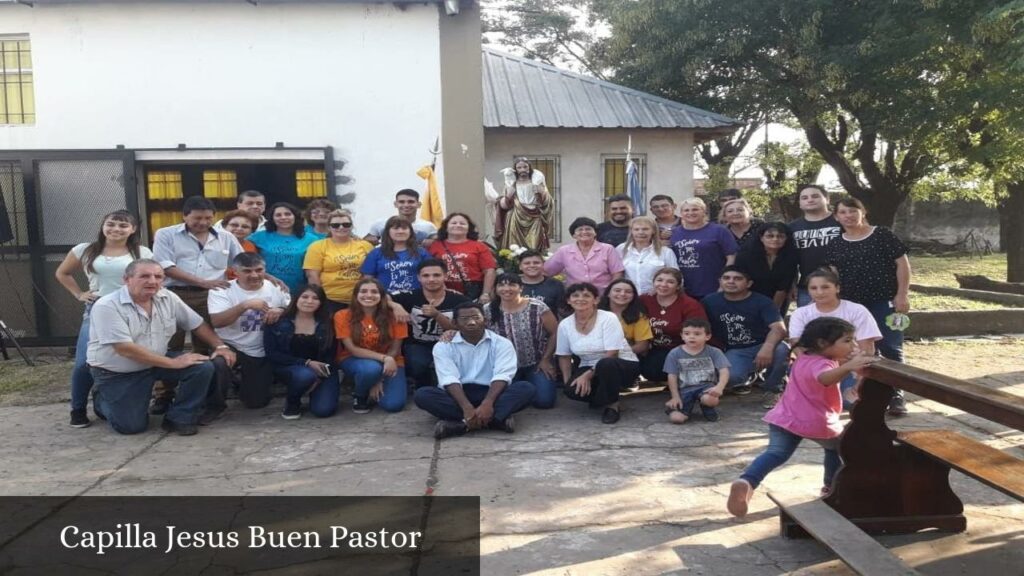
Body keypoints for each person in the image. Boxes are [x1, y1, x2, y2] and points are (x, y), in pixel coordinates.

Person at [727, 317, 878, 518]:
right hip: (814, 420)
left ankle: (747, 481)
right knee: (837, 448)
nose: (854, 344)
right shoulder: (823, 365)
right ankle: (830, 488)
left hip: (784, 417)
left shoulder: (805, 358)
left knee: (775, 454)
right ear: (823, 343)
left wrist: (850, 362)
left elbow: (834, 366)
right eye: (848, 340)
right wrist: (849, 367)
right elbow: (824, 378)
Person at [86, 259, 235, 436]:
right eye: (145, 276)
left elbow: (196, 324)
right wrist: (173, 363)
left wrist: (221, 345)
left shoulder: (168, 297)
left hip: (155, 361)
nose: (153, 281)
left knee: (202, 367)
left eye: (158, 276)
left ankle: (180, 417)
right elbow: (124, 348)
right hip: (118, 372)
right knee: (131, 427)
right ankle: (102, 400)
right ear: (127, 279)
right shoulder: (107, 305)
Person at [56, 210, 153, 428]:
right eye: (111, 224)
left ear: (133, 229)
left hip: (130, 309)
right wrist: (79, 294)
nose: (116, 229)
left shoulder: (141, 251)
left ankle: (111, 400)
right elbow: (62, 273)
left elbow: (150, 278)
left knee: (128, 358)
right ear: (103, 225)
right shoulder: (85, 249)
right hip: (96, 309)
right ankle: (78, 409)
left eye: (123, 225)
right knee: (83, 362)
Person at [151, 195, 243, 415]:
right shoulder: (166, 234)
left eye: (208, 218)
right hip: (174, 294)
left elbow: (242, 262)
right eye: (197, 218)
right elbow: (166, 266)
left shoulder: (225, 236)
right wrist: (202, 281)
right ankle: (164, 395)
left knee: (204, 345)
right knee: (170, 345)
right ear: (185, 216)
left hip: (209, 297)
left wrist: (269, 278)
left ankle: (200, 395)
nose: (202, 223)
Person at [825, 197, 912, 416]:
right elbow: (833, 275)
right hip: (852, 305)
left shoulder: (882, 235)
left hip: (884, 302)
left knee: (891, 347)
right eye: (843, 212)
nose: (848, 216)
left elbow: (902, 265)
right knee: (855, 349)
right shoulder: (836, 243)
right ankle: (861, 393)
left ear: (863, 212)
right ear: (836, 217)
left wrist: (902, 294)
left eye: (853, 211)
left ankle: (896, 395)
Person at [414, 302, 537, 439]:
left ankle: (461, 425)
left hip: (491, 392)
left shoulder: (502, 343)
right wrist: (466, 407)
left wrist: (487, 403)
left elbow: (503, 375)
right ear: (454, 323)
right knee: (423, 395)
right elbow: (449, 378)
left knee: (526, 388)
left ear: (485, 320)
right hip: (458, 394)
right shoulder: (443, 346)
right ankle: (494, 421)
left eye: (476, 317)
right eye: (465, 319)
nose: (471, 322)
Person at [207, 253, 291, 417]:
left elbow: (294, 312)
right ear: (235, 272)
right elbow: (217, 322)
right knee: (218, 363)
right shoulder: (222, 290)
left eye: (259, 270)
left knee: (256, 403)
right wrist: (244, 306)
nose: (254, 275)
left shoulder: (275, 286)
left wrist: (281, 311)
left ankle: (243, 383)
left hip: (261, 348)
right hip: (231, 345)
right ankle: (213, 406)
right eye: (247, 271)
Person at [788, 268, 881, 407]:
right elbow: (798, 346)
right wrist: (809, 368)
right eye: (813, 288)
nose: (819, 292)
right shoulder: (801, 313)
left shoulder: (857, 310)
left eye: (825, 287)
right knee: (814, 401)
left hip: (851, 366)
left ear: (837, 288)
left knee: (851, 403)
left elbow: (866, 346)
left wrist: (860, 376)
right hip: (815, 367)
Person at [701, 266, 790, 408]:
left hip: (762, 344)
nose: (731, 282)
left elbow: (779, 329)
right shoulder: (710, 301)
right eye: (726, 278)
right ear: (720, 281)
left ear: (748, 284)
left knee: (782, 349)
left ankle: (773, 389)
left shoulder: (762, 301)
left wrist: (767, 347)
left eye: (737, 279)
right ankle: (750, 375)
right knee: (731, 378)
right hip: (735, 350)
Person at [556, 282, 640, 424]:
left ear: (596, 300)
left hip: (620, 364)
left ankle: (612, 405)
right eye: (575, 295)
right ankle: (602, 396)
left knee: (606, 364)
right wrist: (567, 383)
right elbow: (564, 356)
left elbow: (613, 353)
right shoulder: (565, 324)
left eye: (586, 295)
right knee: (571, 391)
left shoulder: (608, 318)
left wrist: (587, 376)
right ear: (568, 300)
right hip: (588, 364)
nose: (580, 299)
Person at [391, 259, 469, 389]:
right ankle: (423, 388)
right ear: (419, 278)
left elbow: (464, 329)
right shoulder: (410, 296)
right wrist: (395, 306)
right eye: (426, 276)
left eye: (436, 275)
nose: (431, 279)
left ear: (445, 276)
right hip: (418, 344)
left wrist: (437, 315)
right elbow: (382, 297)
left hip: (450, 344)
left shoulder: (459, 299)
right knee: (417, 363)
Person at [264, 284, 338, 419]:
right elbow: (272, 353)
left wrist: (320, 376)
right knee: (305, 375)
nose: (309, 301)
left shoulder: (328, 323)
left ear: (321, 302)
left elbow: (331, 354)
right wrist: (307, 363)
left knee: (323, 410)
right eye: (305, 297)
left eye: (315, 298)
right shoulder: (277, 321)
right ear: (296, 298)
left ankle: (314, 389)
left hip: (322, 370)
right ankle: (293, 401)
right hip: (289, 368)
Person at [335, 278, 409, 413]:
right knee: (370, 369)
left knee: (393, 405)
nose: (368, 295)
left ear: (382, 297)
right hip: (355, 359)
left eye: (374, 292)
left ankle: (369, 383)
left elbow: (395, 349)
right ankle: (360, 395)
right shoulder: (342, 315)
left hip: (392, 360)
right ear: (356, 295)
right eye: (363, 291)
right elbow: (353, 349)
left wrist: (379, 378)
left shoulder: (395, 316)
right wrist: (383, 360)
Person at [485, 273, 559, 409]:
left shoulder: (537, 306)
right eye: (501, 285)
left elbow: (555, 332)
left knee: (544, 402)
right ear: (495, 289)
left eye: (512, 284)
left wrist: (546, 359)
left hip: (536, 363)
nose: (506, 289)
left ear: (521, 288)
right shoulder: (487, 310)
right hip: (504, 366)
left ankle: (529, 385)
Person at [638, 268, 708, 383]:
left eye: (670, 282)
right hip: (655, 349)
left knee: (657, 368)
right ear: (653, 282)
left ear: (678, 286)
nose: (663, 285)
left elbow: (698, 334)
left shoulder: (690, 305)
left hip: (682, 349)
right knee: (648, 368)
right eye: (659, 280)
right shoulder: (645, 299)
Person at [303, 209, 374, 313]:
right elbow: (312, 276)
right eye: (336, 225)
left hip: (360, 299)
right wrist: (319, 298)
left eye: (346, 224)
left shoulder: (365, 246)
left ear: (351, 226)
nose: (341, 227)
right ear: (329, 227)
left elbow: (371, 273)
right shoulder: (317, 247)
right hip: (330, 299)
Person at [663, 318, 730, 424]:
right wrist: (675, 397)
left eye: (697, 334)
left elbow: (724, 370)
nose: (691, 336)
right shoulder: (674, 353)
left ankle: (707, 408)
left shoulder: (714, 352)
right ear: (682, 336)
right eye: (687, 333)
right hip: (685, 390)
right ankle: (674, 409)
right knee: (677, 419)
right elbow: (672, 376)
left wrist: (719, 387)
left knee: (711, 400)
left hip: (706, 388)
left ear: (707, 336)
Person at [669, 197, 738, 300]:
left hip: (712, 286)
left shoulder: (719, 230)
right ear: (681, 213)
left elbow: (731, 257)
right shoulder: (674, 233)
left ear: (704, 211)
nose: (690, 213)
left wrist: (725, 282)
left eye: (695, 209)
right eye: (686, 210)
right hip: (683, 288)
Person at [248, 202, 318, 294]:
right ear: (272, 218)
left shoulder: (311, 239)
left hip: (299, 291)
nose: (283, 217)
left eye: (288, 214)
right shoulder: (258, 237)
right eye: (278, 215)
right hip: (265, 289)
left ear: (295, 216)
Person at [789, 185, 842, 306]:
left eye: (815, 196)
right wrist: (791, 285)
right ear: (800, 204)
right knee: (811, 324)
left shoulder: (841, 221)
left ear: (827, 199)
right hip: (808, 288)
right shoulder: (792, 227)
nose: (810, 200)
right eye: (804, 198)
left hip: (843, 285)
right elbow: (790, 260)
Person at [427, 212, 497, 302]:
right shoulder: (435, 245)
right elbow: (428, 268)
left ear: (469, 228)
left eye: (462, 223)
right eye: (454, 223)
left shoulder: (479, 246)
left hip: (472, 292)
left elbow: (489, 271)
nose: (458, 225)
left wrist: (486, 293)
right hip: (442, 291)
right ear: (446, 227)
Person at [543, 217, 625, 293]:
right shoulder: (564, 251)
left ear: (595, 233)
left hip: (602, 296)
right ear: (574, 235)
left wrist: (611, 292)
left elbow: (617, 273)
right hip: (575, 297)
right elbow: (546, 271)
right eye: (580, 230)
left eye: (588, 229)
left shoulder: (608, 249)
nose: (584, 232)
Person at [734, 222, 799, 315]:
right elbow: (740, 281)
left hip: (778, 298)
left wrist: (772, 311)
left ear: (786, 238)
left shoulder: (790, 257)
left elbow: (783, 286)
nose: (775, 239)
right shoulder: (745, 255)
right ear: (761, 238)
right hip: (748, 297)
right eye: (770, 236)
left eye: (780, 236)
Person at [496, 157, 554, 252]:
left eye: (525, 167)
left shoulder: (537, 182)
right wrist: (508, 196)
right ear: (515, 169)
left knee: (534, 246)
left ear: (529, 168)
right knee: (514, 246)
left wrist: (542, 193)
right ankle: (514, 265)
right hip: (516, 217)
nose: (522, 169)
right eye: (519, 167)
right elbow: (503, 205)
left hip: (534, 217)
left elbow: (548, 202)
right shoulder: (511, 184)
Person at [360, 216, 430, 294]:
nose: (400, 231)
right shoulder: (375, 253)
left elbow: (430, 276)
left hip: (416, 298)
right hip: (385, 299)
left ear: (410, 231)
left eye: (404, 228)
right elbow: (367, 281)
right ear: (388, 232)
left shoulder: (422, 253)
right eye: (396, 228)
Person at [618, 215, 678, 295]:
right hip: (629, 297)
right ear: (631, 231)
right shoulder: (621, 249)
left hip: (656, 297)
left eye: (645, 229)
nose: (640, 232)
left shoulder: (665, 252)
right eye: (636, 229)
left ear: (653, 231)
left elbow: (676, 276)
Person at [599, 278, 653, 365]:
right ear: (608, 293)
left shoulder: (639, 316)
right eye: (617, 290)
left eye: (628, 292)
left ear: (633, 296)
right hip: (593, 355)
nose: (622, 294)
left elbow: (643, 346)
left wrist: (615, 353)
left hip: (625, 358)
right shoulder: (596, 313)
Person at [364, 189, 438, 246]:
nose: (406, 205)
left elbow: (441, 243)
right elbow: (364, 242)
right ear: (395, 204)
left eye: (411, 202)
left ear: (419, 204)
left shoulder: (428, 226)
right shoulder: (380, 224)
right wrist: (368, 240)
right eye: (401, 202)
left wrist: (432, 242)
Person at [517, 249, 565, 317]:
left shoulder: (556, 285)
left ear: (543, 264)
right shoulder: (512, 284)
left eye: (536, 263)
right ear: (520, 266)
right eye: (527, 263)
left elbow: (563, 311)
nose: (532, 265)